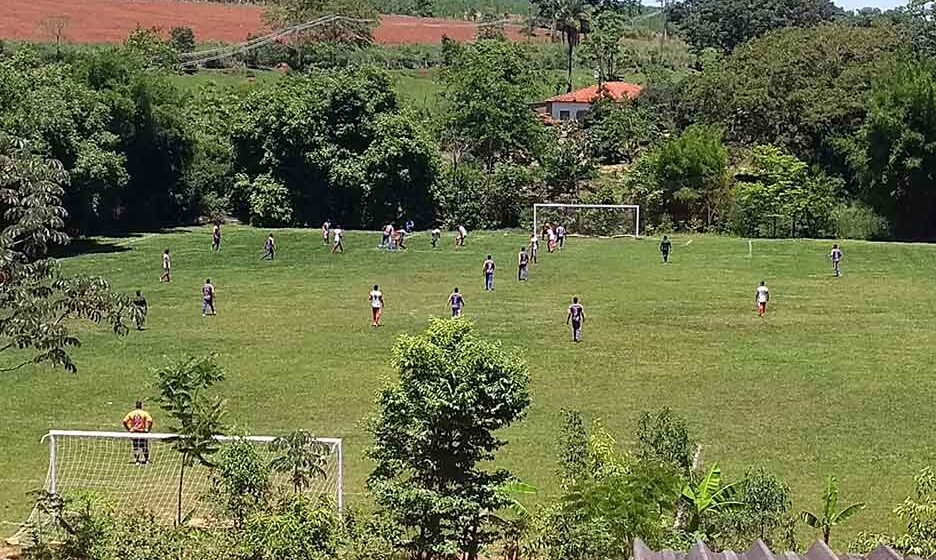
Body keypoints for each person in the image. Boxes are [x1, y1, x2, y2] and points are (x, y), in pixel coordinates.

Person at [122, 401, 153, 466]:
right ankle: (146, 460)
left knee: (136, 447)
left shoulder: (131, 413)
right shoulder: (144, 413)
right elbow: (150, 420)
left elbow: (124, 421)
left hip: (135, 432)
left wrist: (129, 429)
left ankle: (137, 461)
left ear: (135, 406)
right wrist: (148, 429)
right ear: (141, 406)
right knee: (144, 446)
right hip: (142, 432)